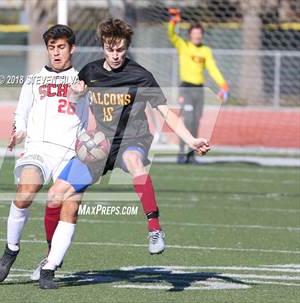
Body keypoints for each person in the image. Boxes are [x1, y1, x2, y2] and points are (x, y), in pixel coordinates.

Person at [38, 18, 211, 289]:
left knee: (133, 161)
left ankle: (154, 228)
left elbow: (166, 113)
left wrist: (190, 140)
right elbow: (73, 102)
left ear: (126, 48)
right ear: (103, 47)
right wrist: (74, 95)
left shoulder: (141, 76)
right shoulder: (90, 72)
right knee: (54, 195)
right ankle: (49, 259)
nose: (115, 55)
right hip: (101, 145)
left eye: (120, 50)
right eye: (110, 49)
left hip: (133, 139)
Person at [0, 24, 88, 283]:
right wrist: (19, 131)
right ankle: (11, 250)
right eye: (51, 47)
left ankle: (50, 266)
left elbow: (91, 121)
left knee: (69, 208)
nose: (56, 53)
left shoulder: (83, 81)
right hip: (38, 149)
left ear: (72, 48)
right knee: (25, 193)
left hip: (70, 153)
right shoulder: (34, 80)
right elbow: (20, 113)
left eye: (61, 47)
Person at [168, 8, 228, 164]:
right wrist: (174, 21)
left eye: (199, 33)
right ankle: (181, 154)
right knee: (187, 120)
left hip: (199, 90)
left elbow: (213, 69)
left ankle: (191, 155)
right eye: (194, 33)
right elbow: (171, 35)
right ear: (190, 35)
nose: (197, 36)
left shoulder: (206, 51)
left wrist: (223, 85)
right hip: (186, 88)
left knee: (195, 122)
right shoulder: (183, 46)